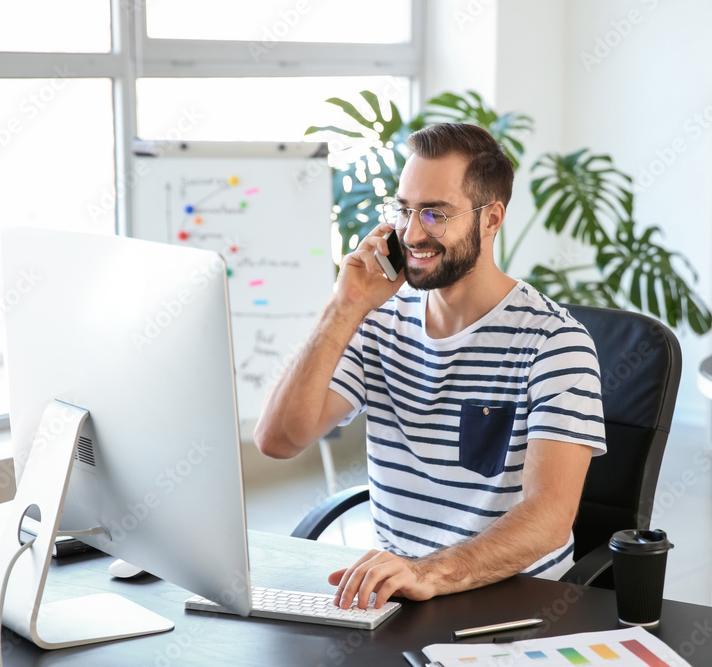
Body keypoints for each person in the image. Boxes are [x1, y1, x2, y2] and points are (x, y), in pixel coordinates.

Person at [254, 122, 606, 611]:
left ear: (491, 219)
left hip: (516, 601)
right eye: (404, 210)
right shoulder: (377, 320)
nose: (413, 233)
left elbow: (549, 517)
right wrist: (345, 306)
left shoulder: (555, 342)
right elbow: (279, 440)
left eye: (435, 214)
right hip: (400, 593)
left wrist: (429, 572)